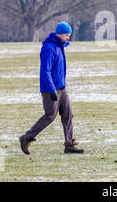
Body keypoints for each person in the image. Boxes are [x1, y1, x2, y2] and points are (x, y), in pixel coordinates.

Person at [19, 21, 84, 154]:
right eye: (66, 35)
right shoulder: (49, 48)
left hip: (61, 88)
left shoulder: (60, 46)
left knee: (68, 114)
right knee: (50, 116)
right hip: (51, 89)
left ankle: (69, 144)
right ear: (59, 34)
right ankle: (27, 137)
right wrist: (51, 89)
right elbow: (45, 71)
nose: (68, 38)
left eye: (69, 35)